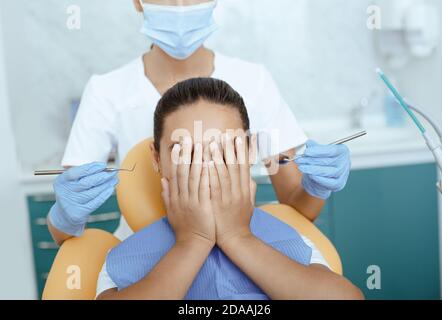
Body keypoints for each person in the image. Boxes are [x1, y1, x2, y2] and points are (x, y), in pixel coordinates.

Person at [48, 0, 351, 244]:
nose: (180, 6)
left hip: (237, 250)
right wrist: (65, 216)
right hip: (143, 258)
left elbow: (299, 208)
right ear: (138, 2)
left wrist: (316, 187)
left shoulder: (253, 82)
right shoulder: (106, 91)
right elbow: (64, 235)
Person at [96, 77, 363, 300]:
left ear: (249, 151)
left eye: (224, 151)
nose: (206, 168)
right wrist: (192, 242)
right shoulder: (122, 260)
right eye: (185, 153)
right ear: (157, 159)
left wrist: (238, 237)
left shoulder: (292, 241)